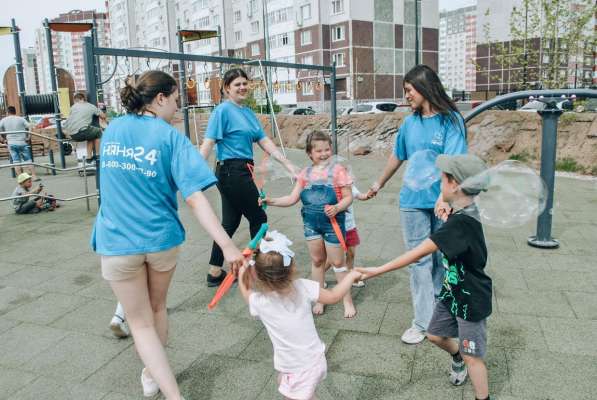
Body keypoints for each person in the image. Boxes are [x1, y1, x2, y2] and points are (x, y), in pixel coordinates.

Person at [91, 70, 245, 400]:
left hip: (117, 242)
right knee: (157, 309)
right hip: (160, 240)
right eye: (176, 100)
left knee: (139, 321)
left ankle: (161, 381)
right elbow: (194, 197)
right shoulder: (171, 138)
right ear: (160, 98)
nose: (177, 108)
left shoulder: (113, 129)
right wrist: (228, 245)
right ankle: (158, 379)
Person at [358, 154, 492, 400]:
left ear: (454, 185)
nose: (438, 183)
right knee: (434, 334)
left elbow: (416, 253)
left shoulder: (460, 225)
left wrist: (377, 270)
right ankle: (457, 357)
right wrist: (446, 205)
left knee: (474, 357)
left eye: (442, 179)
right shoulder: (465, 209)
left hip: (471, 299)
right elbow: (454, 210)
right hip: (453, 290)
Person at [365, 64, 467, 344]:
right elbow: (397, 156)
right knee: (419, 261)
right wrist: (378, 184)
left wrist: (443, 199)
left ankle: (439, 314)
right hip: (411, 202)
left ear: (424, 87)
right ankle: (423, 322)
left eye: (409, 90)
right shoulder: (409, 123)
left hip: (441, 203)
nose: (406, 95)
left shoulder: (451, 121)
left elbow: (454, 162)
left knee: (441, 260)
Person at [200, 68, 296, 287]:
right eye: (237, 84)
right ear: (226, 88)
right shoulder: (222, 111)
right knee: (259, 219)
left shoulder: (248, 113)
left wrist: (286, 161)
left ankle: (215, 272)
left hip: (243, 170)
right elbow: (208, 143)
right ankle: (258, 269)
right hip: (231, 171)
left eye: (245, 83)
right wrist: (194, 173)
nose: (242, 87)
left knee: (230, 223)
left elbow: (264, 141)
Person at [237, 231, 363, 400]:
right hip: (312, 360)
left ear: (257, 275)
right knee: (287, 384)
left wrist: (241, 271)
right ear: (292, 268)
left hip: (298, 368)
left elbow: (245, 289)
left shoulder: (260, 302)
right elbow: (334, 296)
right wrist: (351, 276)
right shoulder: (303, 287)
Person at [263, 131, 357, 318]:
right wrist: (271, 200)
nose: (324, 154)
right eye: (319, 151)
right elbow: (292, 198)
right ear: (309, 153)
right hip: (311, 225)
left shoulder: (339, 171)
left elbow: (349, 197)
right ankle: (320, 298)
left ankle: (347, 301)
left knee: (338, 263)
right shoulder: (305, 173)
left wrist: (337, 207)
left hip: (333, 224)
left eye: (327, 149)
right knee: (317, 261)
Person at [63, 92, 106, 162]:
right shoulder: (91, 106)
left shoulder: (73, 107)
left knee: (91, 135)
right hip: (82, 132)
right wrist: (102, 112)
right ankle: (98, 155)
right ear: (82, 98)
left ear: (76, 100)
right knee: (98, 132)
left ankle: (89, 158)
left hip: (72, 135)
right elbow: (103, 116)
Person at [0, 106, 37, 180]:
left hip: (11, 143)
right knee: (28, 160)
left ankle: (21, 179)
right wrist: (28, 137)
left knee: (16, 161)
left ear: (7, 112)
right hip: (22, 142)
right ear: (15, 112)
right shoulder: (21, 119)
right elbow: (30, 126)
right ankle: (34, 176)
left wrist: (3, 140)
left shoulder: (3, 120)